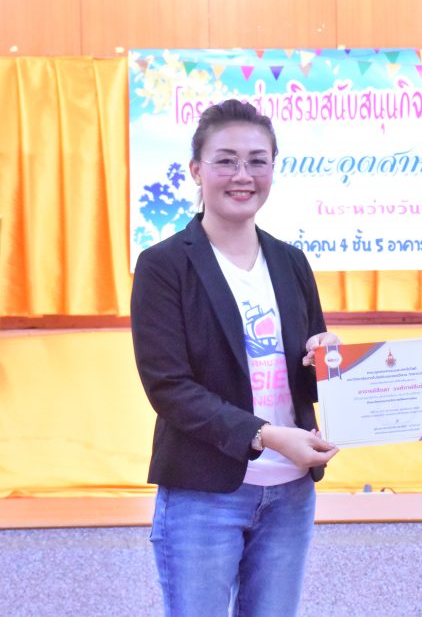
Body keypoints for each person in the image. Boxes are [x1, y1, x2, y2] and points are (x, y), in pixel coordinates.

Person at [131, 99, 340, 616]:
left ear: (273, 168)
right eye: (226, 160)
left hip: (290, 493)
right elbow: (169, 388)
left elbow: (307, 377)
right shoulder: (163, 265)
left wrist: (324, 360)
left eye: (257, 161)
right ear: (196, 169)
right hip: (204, 493)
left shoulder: (291, 261)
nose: (242, 175)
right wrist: (266, 435)